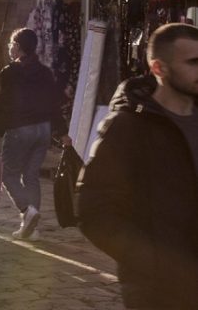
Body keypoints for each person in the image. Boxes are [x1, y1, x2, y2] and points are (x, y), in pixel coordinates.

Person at [78, 23, 198, 308]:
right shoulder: (128, 127)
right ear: (159, 68)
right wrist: (152, 265)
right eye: (193, 62)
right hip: (158, 291)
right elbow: (94, 211)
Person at [0, 28, 70, 240]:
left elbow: (3, 105)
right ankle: (32, 229)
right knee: (32, 176)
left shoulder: (9, 72)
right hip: (42, 130)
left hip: (20, 129)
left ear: (18, 47)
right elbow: (54, 103)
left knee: (9, 174)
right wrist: (62, 132)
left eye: (12, 43)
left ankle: (27, 210)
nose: (10, 47)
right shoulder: (44, 72)